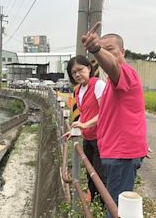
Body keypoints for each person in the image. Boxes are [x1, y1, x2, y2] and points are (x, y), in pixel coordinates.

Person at [82, 22, 149, 217]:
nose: (108, 55)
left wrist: (95, 49)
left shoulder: (124, 73)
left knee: (116, 208)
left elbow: (113, 66)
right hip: (118, 152)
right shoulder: (111, 84)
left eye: (110, 50)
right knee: (114, 202)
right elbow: (129, 115)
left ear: (123, 51)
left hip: (121, 155)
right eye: (103, 50)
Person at [62, 55, 106, 203]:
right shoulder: (79, 90)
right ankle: (93, 203)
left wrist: (85, 125)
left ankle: (103, 205)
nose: (77, 74)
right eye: (73, 73)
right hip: (88, 138)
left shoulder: (98, 85)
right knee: (90, 172)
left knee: (100, 175)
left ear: (88, 67)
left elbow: (106, 112)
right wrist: (75, 129)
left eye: (80, 70)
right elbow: (84, 115)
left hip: (101, 139)